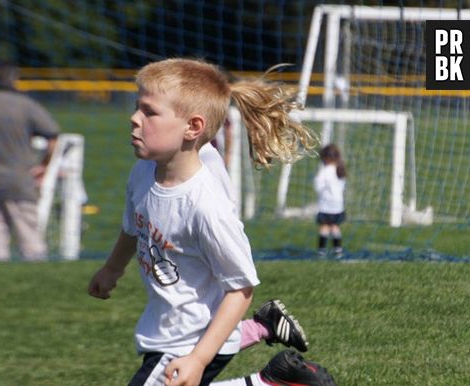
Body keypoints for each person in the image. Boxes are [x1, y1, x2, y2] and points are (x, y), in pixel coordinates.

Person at [87, 58, 317, 386]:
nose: (134, 118)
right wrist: (112, 268)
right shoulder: (143, 171)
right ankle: (275, 382)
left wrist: (198, 358)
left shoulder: (207, 207)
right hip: (169, 328)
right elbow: (132, 227)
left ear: (193, 128)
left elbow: (240, 289)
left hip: (193, 338)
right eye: (137, 107)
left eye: (149, 112)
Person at [0, 62, 60, 261]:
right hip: (20, 183)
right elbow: (53, 139)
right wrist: (43, 166)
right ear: (16, 80)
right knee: (32, 246)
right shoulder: (26, 105)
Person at [314, 144, 346, 258]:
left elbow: (318, 186)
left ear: (325, 158)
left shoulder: (325, 171)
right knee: (335, 227)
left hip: (326, 206)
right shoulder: (340, 170)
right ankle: (338, 250)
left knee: (324, 227)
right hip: (338, 206)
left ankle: (321, 251)